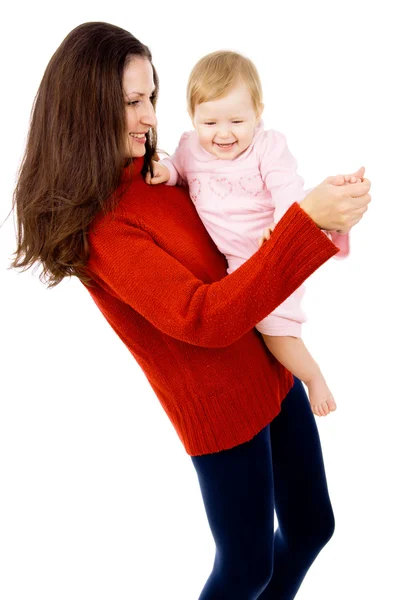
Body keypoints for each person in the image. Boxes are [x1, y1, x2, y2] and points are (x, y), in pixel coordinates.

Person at [10, 22, 371, 599]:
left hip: (272, 374)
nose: (150, 115)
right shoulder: (105, 228)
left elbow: (239, 225)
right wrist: (305, 223)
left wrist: (319, 212)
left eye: (151, 95)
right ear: (84, 109)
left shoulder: (159, 170)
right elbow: (203, 318)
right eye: (131, 101)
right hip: (221, 413)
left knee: (312, 529)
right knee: (247, 568)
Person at [146, 49, 364, 418]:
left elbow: (284, 189)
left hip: (272, 241)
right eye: (210, 123)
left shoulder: (267, 146)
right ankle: (330, 220)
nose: (223, 134)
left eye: (236, 120)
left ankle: (312, 378)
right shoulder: (189, 148)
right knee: (268, 324)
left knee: (274, 324)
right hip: (242, 258)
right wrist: (165, 172)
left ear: (258, 113)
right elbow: (177, 168)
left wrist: (281, 230)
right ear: (192, 117)